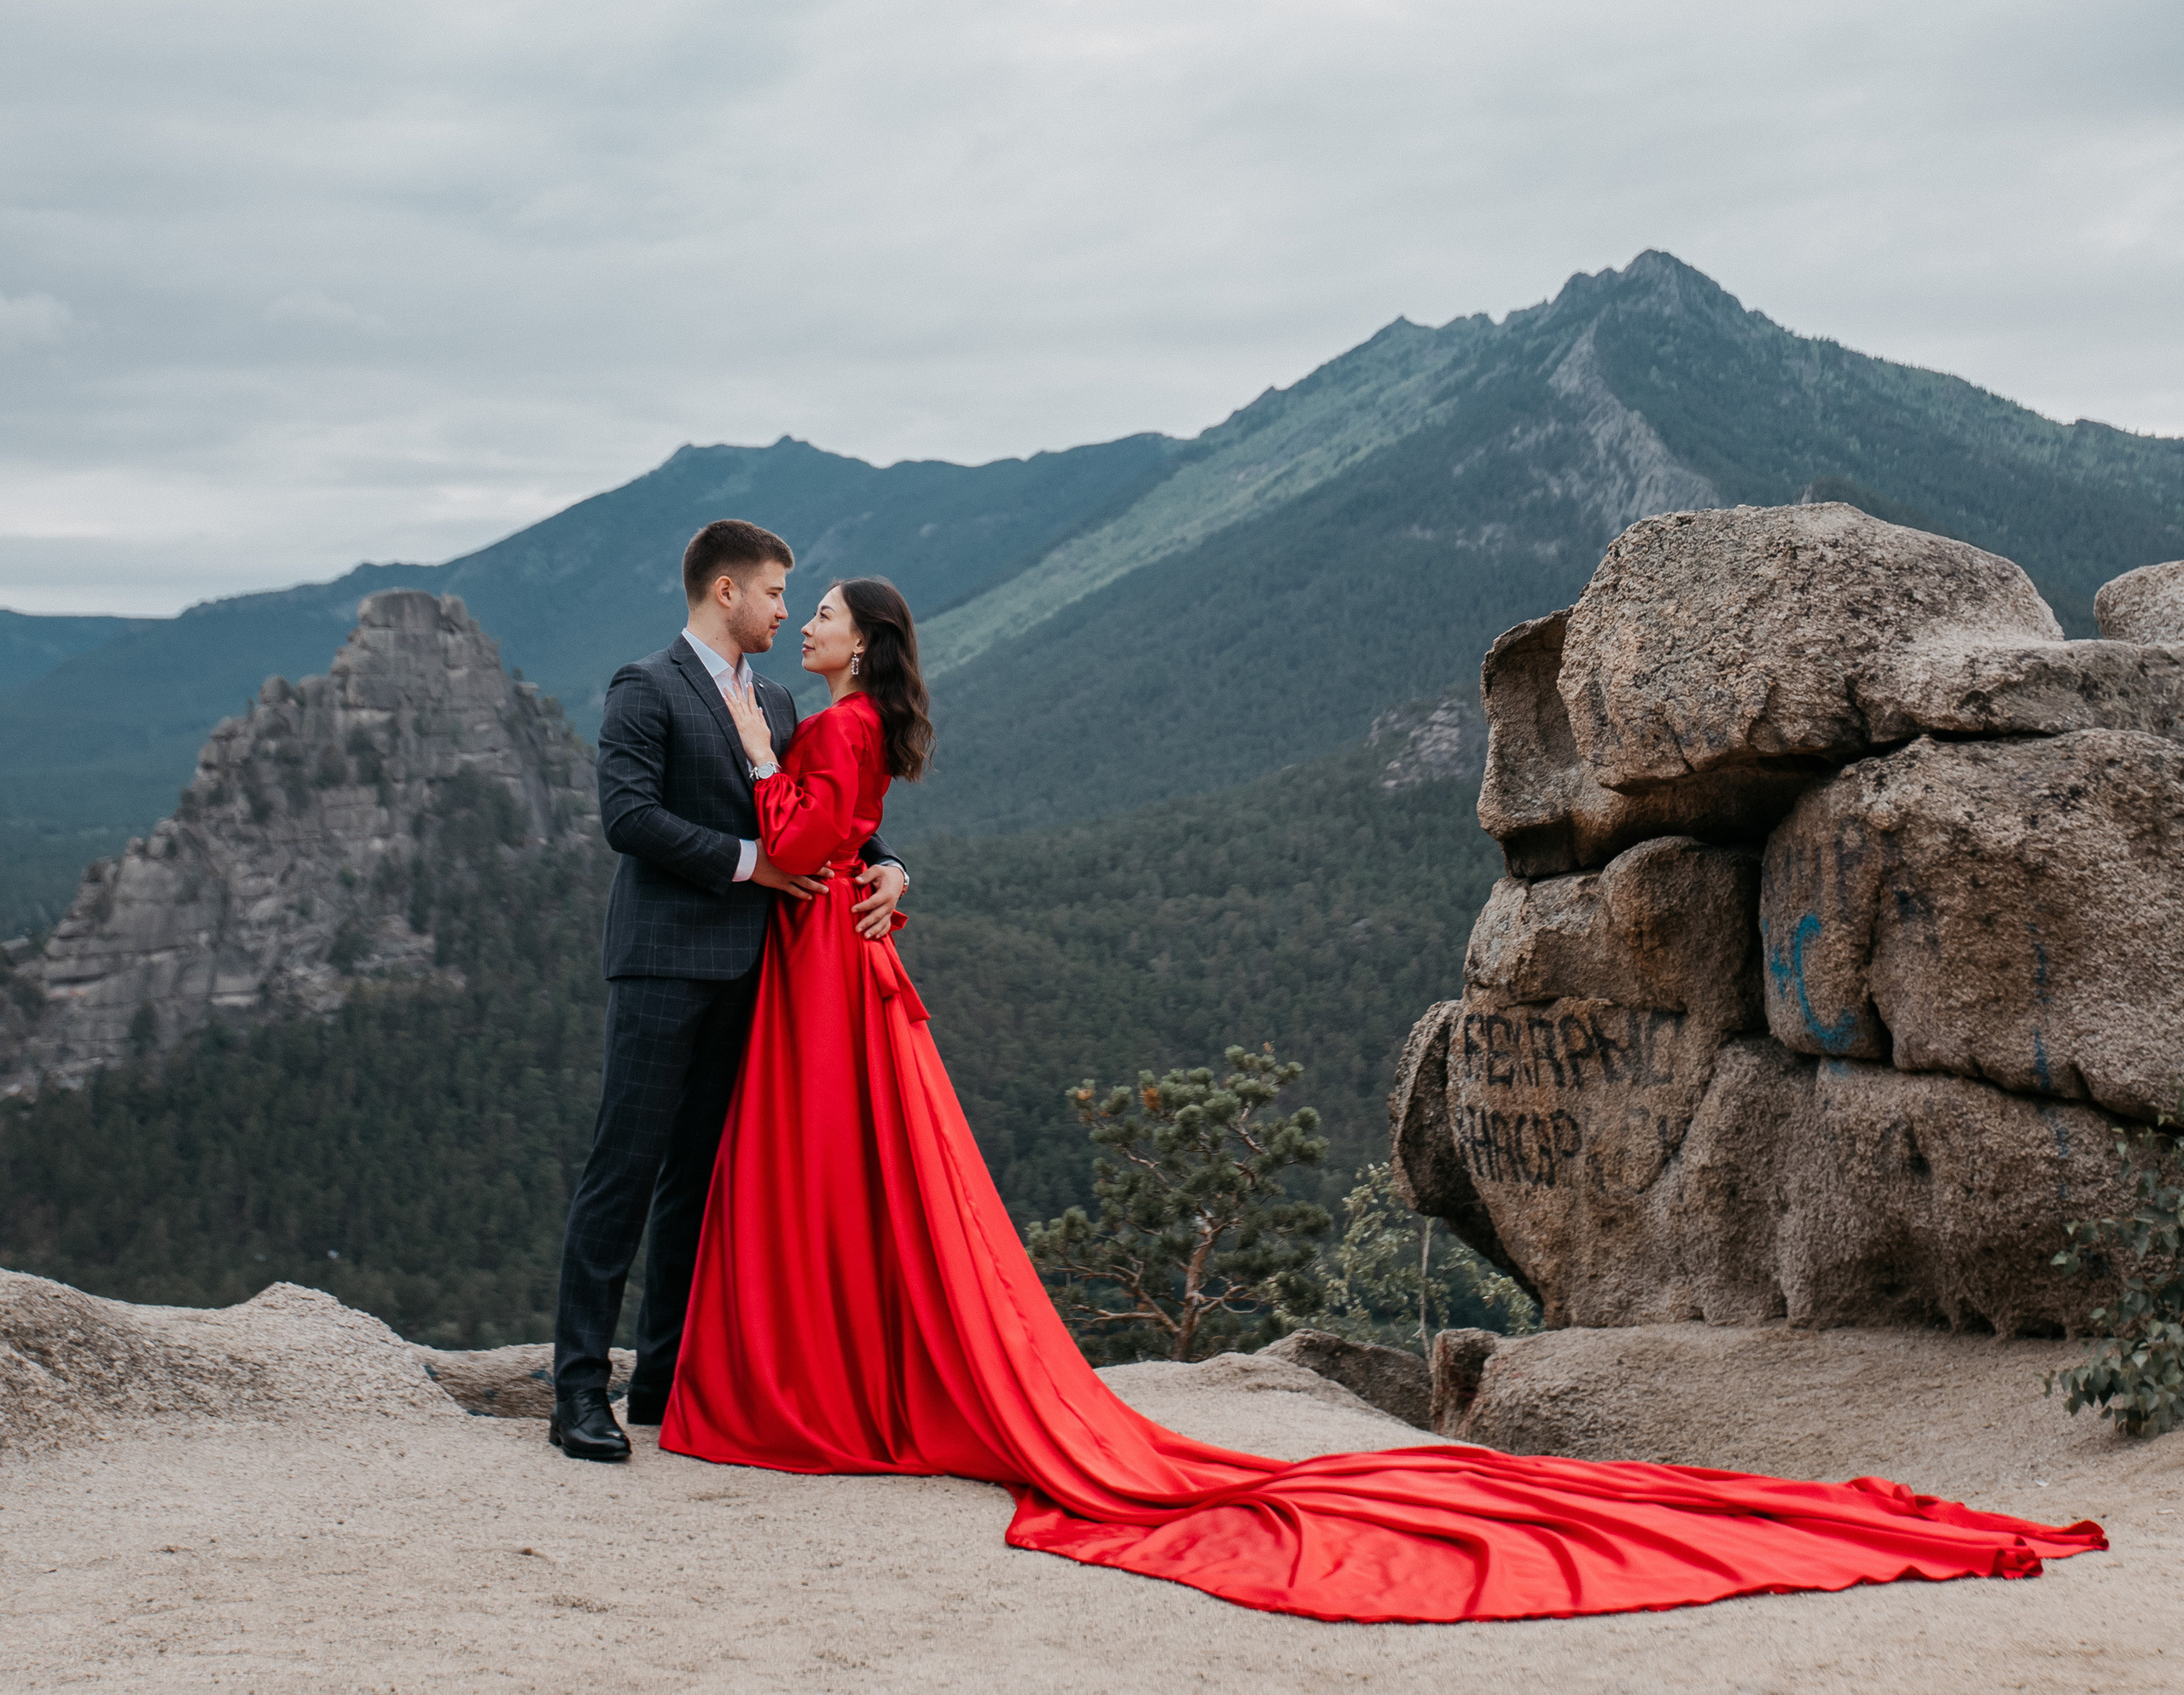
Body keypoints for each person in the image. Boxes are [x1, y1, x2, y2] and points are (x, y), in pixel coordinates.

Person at [660, 575, 2107, 1624]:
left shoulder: (832, 726)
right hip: (834, 955)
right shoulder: (849, 719)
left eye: (825, 611)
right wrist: (863, 860)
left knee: (833, 1169)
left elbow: (808, 833)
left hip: (817, 957)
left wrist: (797, 806)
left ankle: (821, 1375)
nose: (810, 623)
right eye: (798, 604)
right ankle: (851, 1369)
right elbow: (845, 840)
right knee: (864, 1172)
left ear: (866, 642)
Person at [548, 517, 908, 1460]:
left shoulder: (782, 704)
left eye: (795, 599)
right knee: (622, 1172)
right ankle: (578, 1392)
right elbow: (627, 818)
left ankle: (662, 1386)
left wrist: (890, 864)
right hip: (664, 960)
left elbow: (829, 814)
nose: (786, 612)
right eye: (777, 594)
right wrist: (750, 864)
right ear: (725, 592)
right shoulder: (645, 686)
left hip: (760, 977)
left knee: (697, 1184)